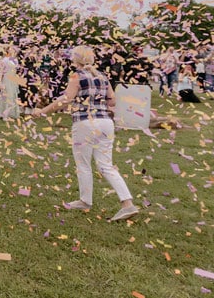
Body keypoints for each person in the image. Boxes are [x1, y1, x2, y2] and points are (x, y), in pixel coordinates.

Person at [33, 45, 138, 222]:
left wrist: (42, 111)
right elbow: (112, 100)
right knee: (106, 165)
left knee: (83, 164)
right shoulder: (102, 77)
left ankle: (85, 201)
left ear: (76, 59)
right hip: (105, 123)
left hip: (85, 123)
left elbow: (66, 100)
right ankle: (127, 204)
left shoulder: (76, 76)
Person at [0, 45, 21, 119]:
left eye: (13, 49)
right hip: (6, 79)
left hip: (13, 79)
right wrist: (0, 82)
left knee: (13, 95)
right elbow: (1, 72)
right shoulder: (4, 60)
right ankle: (5, 114)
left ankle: (12, 113)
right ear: (7, 50)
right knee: (6, 96)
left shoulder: (15, 60)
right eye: (10, 49)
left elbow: (16, 70)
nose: (12, 50)